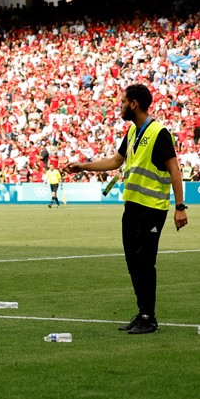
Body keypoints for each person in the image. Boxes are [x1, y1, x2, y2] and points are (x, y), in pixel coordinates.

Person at [65, 84, 188, 334]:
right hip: (131, 208)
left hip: (152, 209)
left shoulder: (158, 132)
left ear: (134, 104)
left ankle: (148, 317)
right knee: (133, 262)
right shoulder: (133, 132)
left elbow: (175, 169)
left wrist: (180, 207)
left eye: (123, 101)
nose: (120, 105)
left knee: (145, 262)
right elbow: (115, 161)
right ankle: (142, 312)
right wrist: (83, 166)